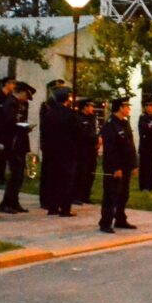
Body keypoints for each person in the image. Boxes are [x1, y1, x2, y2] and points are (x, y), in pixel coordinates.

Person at [99, 97, 137, 234]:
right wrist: (115, 168)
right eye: (127, 106)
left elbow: (130, 145)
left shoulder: (125, 123)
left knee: (124, 194)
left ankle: (120, 219)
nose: (129, 109)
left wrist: (134, 164)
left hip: (126, 165)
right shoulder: (110, 125)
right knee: (111, 195)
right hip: (115, 166)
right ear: (120, 108)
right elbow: (110, 149)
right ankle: (105, 222)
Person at [41, 87, 80, 216]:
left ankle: (52, 206)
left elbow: (44, 131)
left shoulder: (49, 114)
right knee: (67, 180)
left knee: (53, 179)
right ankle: (65, 208)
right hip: (67, 151)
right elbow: (77, 132)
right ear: (67, 99)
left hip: (52, 151)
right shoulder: (70, 114)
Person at [0, 82, 34, 214]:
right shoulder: (10, 103)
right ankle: (6, 203)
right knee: (14, 174)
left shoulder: (21, 104)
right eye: (26, 96)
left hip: (19, 142)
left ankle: (14, 201)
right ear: (21, 93)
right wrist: (21, 127)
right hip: (12, 143)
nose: (26, 99)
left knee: (19, 175)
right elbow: (8, 123)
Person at [38, 78, 66, 210]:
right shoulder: (47, 105)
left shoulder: (62, 105)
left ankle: (56, 197)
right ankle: (45, 199)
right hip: (49, 142)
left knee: (58, 172)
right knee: (47, 172)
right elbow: (45, 126)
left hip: (60, 143)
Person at [73, 98, 100, 204]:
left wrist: (98, 140)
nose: (92, 108)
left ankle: (86, 195)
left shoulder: (92, 118)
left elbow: (94, 131)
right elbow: (83, 134)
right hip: (82, 150)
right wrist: (96, 139)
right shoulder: (78, 118)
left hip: (92, 150)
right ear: (85, 107)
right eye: (90, 106)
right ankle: (76, 196)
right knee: (81, 173)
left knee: (90, 173)